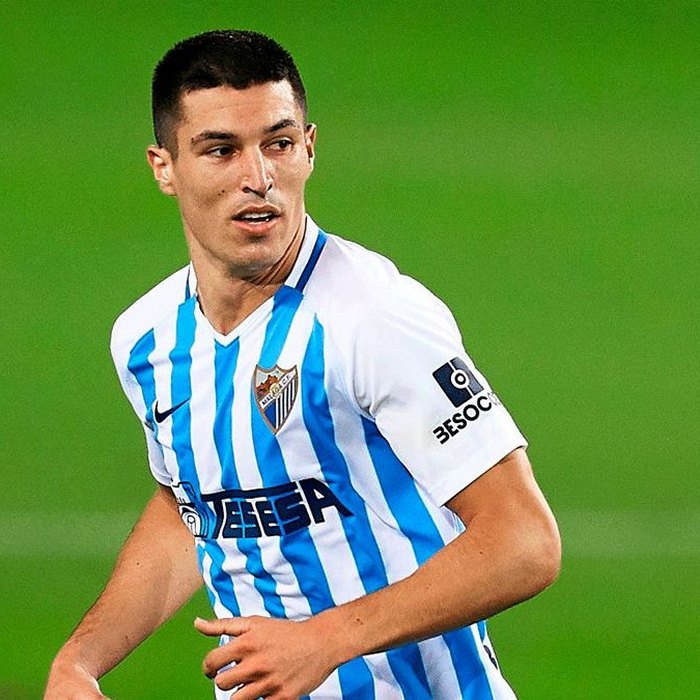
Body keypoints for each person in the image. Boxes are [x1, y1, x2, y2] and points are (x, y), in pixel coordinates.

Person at [45, 29, 561, 700]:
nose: (258, 178)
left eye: (279, 144)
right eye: (221, 150)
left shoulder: (374, 318)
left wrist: (325, 639)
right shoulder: (145, 340)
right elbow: (193, 505)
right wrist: (79, 661)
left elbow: (524, 541)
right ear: (164, 167)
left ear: (309, 148)